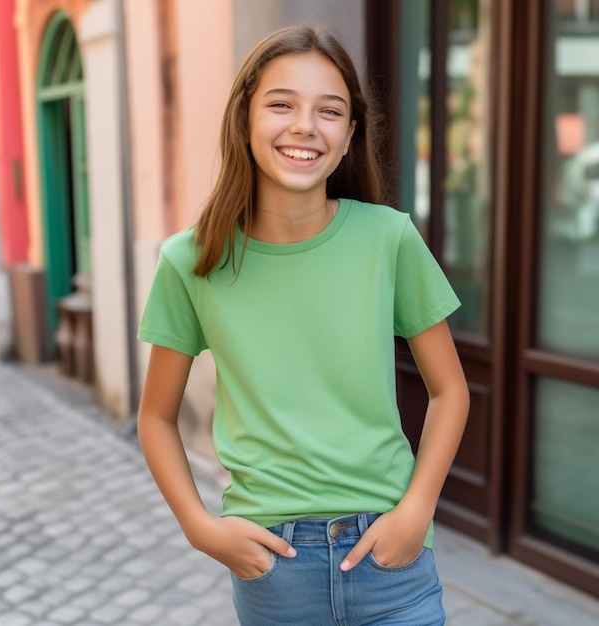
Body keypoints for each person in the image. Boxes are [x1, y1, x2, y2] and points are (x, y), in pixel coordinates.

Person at [137, 25, 469, 626]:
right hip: (274, 569)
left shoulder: (388, 239)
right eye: (281, 104)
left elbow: (451, 391)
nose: (304, 126)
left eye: (330, 111)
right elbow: (156, 416)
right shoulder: (191, 261)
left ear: (349, 136)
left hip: (392, 562)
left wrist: (416, 512)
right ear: (244, 119)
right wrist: (201, 528)